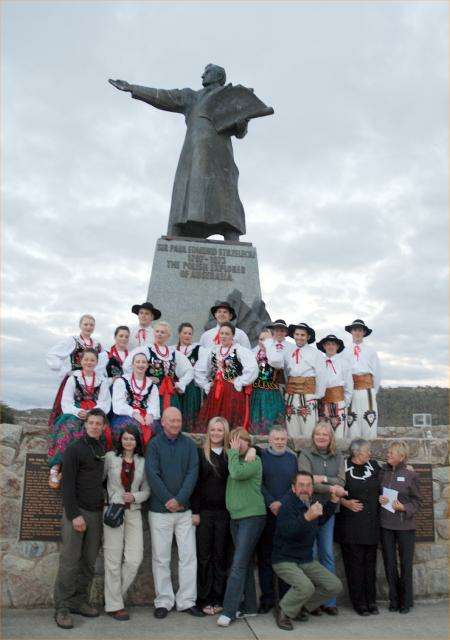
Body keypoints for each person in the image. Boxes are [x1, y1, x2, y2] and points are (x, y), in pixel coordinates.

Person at [145, 407, 203, 618]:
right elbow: (152, 474)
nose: (175, 424)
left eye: (178, 420)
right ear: (163, 422)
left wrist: (179, 500)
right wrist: (168, 500)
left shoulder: (189, 445)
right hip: (160, 511)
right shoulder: (154, 445)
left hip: (184, 511)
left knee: (188, 557)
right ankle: (164, 601)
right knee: (161, 558)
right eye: (171, 420)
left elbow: (192, 473)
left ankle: (186, 601)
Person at [53, 408, 107, 630]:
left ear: (103, 427)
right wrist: (74, 515)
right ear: (86, 425)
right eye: (91, 423)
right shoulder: (74, 449)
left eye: (98, 423)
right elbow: (66, 485)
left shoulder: (102, 449)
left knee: (88, 561)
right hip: (76, 513)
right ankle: (62, 607)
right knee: (69, 561)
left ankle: (79, 600)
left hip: (95, 513)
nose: (94, 426)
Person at [271, 471, 344, 631]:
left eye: (308, 485)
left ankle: (300, 607)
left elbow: (320, 520)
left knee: (334, 585)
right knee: (306, 586)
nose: (305, 489)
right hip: (284, 559)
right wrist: (306, 518)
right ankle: (283, 613)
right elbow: (287, 531)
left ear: (313, 487)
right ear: (293, 488)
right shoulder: (287, 506)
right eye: (301, 485)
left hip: (305, 559)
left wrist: (333, 502)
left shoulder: (310, 503)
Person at [217, 428, 266, 627]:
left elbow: (236, 474)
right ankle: (249, 607)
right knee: (243, 562)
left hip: (252, 517)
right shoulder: (234, 458)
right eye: (235, 441)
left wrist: (240, 452)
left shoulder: (253, 460)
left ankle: (229, 611)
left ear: (248, 442)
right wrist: (234, 453)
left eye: (243, 441)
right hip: (236, 517)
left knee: (237, 564)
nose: (239, 444)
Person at [298, 422, 346, 615]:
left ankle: (329, 601)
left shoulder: (338, 456)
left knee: (327, 554)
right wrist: (332, 487)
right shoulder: (305, 454)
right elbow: (306, 483)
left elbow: (342, 482)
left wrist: (324, 480)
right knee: (312, 555)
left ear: (331, 437)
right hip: (309, 511)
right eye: (318, 434)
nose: (321, 437)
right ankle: (313, 602)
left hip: (329, 512)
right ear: (313, 436)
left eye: (325, 434)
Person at [103, 426, 150, 621]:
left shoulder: (143, 462)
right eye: (125, 438)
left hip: (133, 512)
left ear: (137, 441)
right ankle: (115, 605)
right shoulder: (110, 458)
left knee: (134, 559)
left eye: (132, 438)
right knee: (112, 560)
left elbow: (147, 490)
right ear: (120, 440)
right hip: (113, 512)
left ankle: (113, 597)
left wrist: (136, 496)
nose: (128, 442)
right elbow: (99, 481)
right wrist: (106, 500)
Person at [47, 348, 112, 489]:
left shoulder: (102, 380)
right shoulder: (73, 378)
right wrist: (78, 412)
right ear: (81, 361)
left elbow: (105, 402)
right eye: (86, 359)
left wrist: (92, 413)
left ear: (96, 362)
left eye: (92, 360)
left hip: (95, 412)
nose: (89, 362)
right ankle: (56, 467)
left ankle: (90, 471)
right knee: (69, 428)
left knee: (100, 431)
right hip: (75, 412)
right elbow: (66, 401)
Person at [334, 438, 381, 616]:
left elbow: (388, 477)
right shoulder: (343, 466)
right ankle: (359, 603)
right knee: (354, 566)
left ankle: (371, 601)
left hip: (371, 524)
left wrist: (407, 468)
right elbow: (333, 489)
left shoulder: (375, 466)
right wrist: (344, 502)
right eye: (368, 450)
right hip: (350, 526)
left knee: (370, 565)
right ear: (357, 452)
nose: (370, 453)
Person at [191, 417, 231, 615]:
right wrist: (195, 511)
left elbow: (254, 451)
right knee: (204, 556)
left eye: (220, 430)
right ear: (208, 432)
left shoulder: (229, 455)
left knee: (220, 556)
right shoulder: (200, 454)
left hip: (225, 514)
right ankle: (204, 598)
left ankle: (218, 598)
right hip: (205, 514)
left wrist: (250, 450)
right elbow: (196, 486)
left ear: (225, 433)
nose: (216, 433)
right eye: (213, 430)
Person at [256, 427, 298, 614]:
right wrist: (271, 502)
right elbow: (259, 483)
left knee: (285, 558)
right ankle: (267, 598)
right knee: (265, 558)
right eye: (276, 439)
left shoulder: (292, 459)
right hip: (267, 514)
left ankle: (285, 598)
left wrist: (282, 502)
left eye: (282, 439)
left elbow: (295, 486)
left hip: (286, 514)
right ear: (269, 440)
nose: (280, 442)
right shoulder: (262, 457)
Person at [379, 441, 420, 614]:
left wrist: (403, 508)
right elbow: (378, 493)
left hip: (405, 526)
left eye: (392, 453)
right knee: (389, 564)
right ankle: (394, 600)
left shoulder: (411, 475)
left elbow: (418, 501)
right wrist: (381, 500)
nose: (388, 455)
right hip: (386, 524)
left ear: (401, 457)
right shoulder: (382, 472)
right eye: (388, 452)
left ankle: (406, 601)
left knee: (405, 564)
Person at [194, 322, 258, 432]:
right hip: (215, 393)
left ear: (233, 335)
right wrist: (206, 384)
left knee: (230, 421)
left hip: (232, 393)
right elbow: (200, 370)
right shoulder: (213, 350)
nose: (223, 336)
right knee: (213, 420)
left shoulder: (239, 350)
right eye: (221, 333)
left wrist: (239, 381)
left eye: (227, 334)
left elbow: (252, 369)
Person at [47, 314, 106, 428]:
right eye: (85, 324)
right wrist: (66, 370)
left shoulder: (97, 344)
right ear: (80, 325)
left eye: (91, 325)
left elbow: (103, 361)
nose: (88, 327)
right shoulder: (73, 340)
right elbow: (52, 354)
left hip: (91, 382)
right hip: (75, 380)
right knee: (68, 408)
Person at [125, 321, 194, 416]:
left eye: (163, 332)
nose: (159, 334)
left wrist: (180, 384)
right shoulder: (146, 350)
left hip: (170, 393)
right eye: (157, 331)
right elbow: (128, 365)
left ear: (168, 335)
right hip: (150, 392)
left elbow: (189, 370)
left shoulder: (174, 353)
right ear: (154, 333)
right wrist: (143, 379)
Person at [283, 323, 326, 438]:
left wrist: (318, 395)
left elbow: (321, 375)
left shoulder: (316, 353)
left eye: (302, 335)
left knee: (308, 429)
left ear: (308, 337)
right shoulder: (288, 352)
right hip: (291, 395)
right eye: (297, 334)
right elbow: (286, 373)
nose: (299, 337)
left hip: (307, 395)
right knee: (292, 427)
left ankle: (307, 454)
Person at [111, 352, 160, 447]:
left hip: (145, 416)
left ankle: (148, 458)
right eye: (138, 362)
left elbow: (154, 405)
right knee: (130, 428)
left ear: (147, 365)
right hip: (125, 415)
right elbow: (118, 404)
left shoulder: (152, 385)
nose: (141, 364)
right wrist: (133, 413)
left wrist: (150, 415)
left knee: (155, 428)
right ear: (132, 365)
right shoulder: (122, 381)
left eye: (143, 362)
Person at [344, 319, 381, 440]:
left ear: (364, 332)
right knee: (352, 420)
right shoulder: (345, 351)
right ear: (351, 332)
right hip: (351, 389)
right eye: (355, 330)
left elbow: (377, 372)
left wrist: (373, 391)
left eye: (360, 330)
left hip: (367, 390)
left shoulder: (371, 351)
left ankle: (368, 453)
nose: (357, 333)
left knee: (368, 419)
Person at [316, 334, 353, 439]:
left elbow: (349, 385)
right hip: (322, 403)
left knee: (338, 434)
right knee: (323, 433)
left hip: (338, 403)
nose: (330, 347)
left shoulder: (344, 363)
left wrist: (345, 402)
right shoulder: (318, 363)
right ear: (324, 346)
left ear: (337, 347)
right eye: (328, 344)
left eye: (333, 344)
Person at [249, 329, 285, 435]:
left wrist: (269, 346)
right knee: (255, 421)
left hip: (271, 393)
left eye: (266, 339)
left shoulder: (276, 354)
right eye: (261, 339)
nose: (262, 342)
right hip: (256, 393)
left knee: (272, 421)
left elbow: (277, 363)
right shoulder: (253, 354)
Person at [171, 322, 202, 432]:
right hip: (175, 386)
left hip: (191, 387)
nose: (187, 336)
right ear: (179, 334)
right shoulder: (171, 350)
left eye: (190, 333)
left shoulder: (198, 349)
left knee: (190, 412)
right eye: (185, 333)